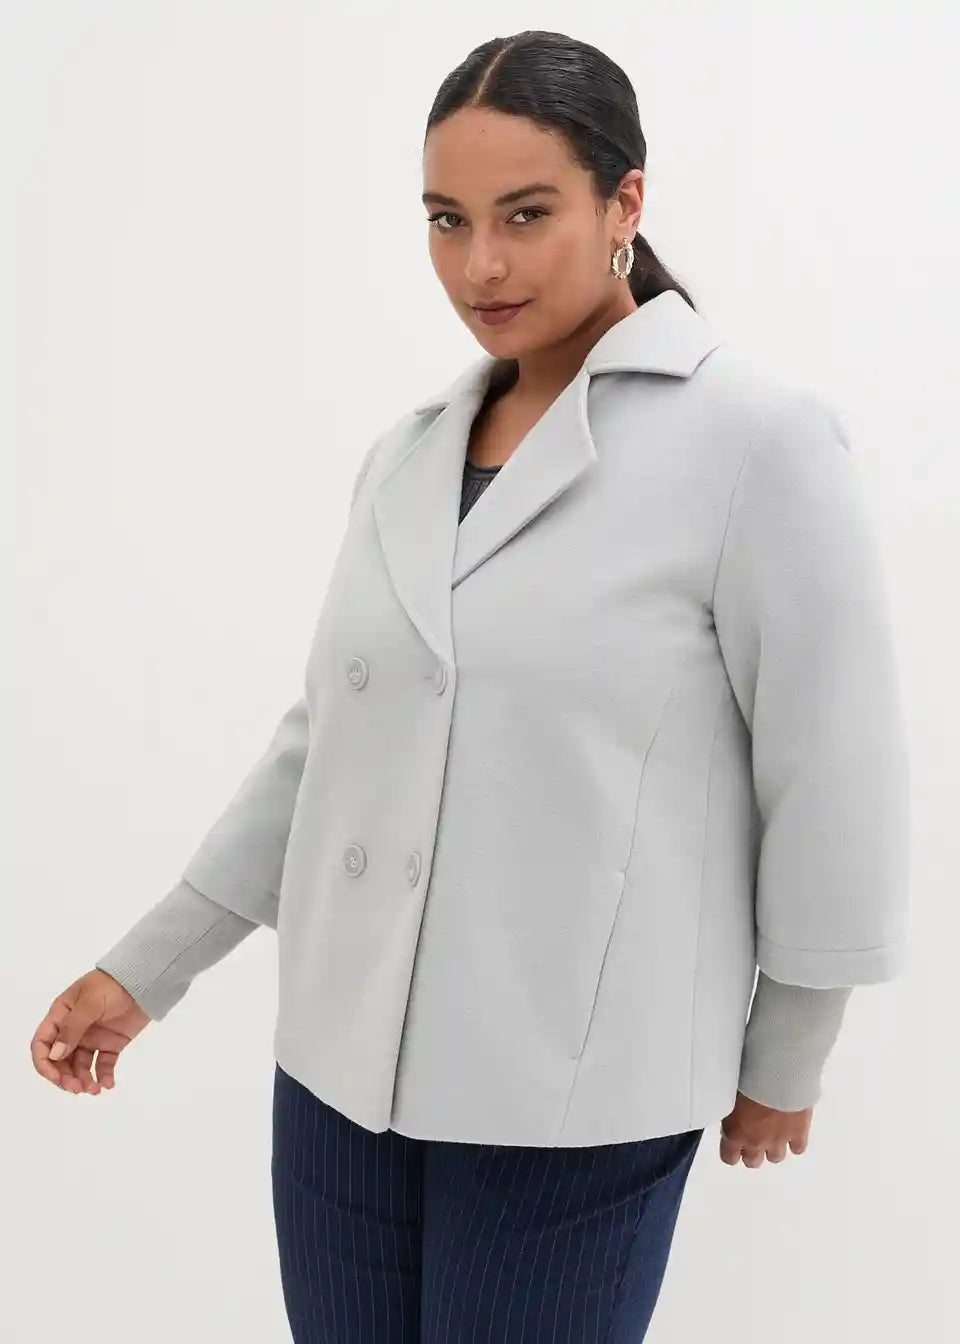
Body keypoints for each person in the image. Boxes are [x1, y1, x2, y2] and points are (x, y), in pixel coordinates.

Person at [30, 28, 909, 1343]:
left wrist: (789, 1052)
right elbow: (324, 749)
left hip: (574, 1097)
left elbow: (833, 775)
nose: (479, 265)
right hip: (339, 1079)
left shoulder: (756, 444)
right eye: (448, 220)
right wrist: (147, 969)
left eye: (525, 214)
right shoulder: (407, 455)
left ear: (625, 202)